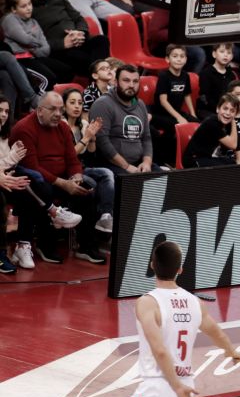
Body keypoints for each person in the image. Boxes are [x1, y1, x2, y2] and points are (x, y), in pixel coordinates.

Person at [123, 241, 240, 397]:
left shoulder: (148, 302)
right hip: (187, 386)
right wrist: (231, 350)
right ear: (180, 269)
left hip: (160, 388)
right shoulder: (196, 303)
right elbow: (217, 334)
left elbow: (160, 351)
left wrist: (177, 387)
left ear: (152, 266)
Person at [10, 91, 104, 266]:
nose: (58, 114)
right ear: (39, 110)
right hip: (36, 181)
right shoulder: (24, 129)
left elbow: (72, 160)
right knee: (42, 188)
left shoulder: (63, 127)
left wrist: (76, 177)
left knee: (88, 189)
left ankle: (86, 246)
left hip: (63, 178)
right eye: (53, 109)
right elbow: (32, 167)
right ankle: (45, 246)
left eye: (61, 110)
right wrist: (64, 184)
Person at [29, 0, 110, 78]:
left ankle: (98, 78)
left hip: (78, 39)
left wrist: (80, 32)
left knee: (102, 40)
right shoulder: (27, 7)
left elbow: (78, 18)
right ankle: (100, 79)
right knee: (81, 58)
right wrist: (62, 43)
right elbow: (34, 42)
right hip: (59, 48)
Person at [90, 64, 160, 175]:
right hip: (112, 164)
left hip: (138, 163)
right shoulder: (103, 104)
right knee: (134, 183)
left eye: (135, 81)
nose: (131, 85)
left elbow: (146, 138)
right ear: (115, 82)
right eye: (126, 80)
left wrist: (147, 163)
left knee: (164, 180)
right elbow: (102, 141)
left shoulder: (140, 104)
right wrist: (126, 166)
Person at [63, 88, 114, 233]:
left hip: (82, 166)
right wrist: (86, 138)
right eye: (72, 102)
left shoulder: (83, 124)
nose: (77, 106)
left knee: (107, 173)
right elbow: (69, 156)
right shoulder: (61, 125)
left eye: (80, 103)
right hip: (66, 170)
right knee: (92, 185)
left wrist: (92, 139)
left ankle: (106, 216)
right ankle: (87, 233)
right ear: (64, 106)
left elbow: (91, 153)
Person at [1, 0, 74, 90]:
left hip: (34, 57)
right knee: (49, 79)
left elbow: (46, 48)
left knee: (67, 70)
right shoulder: (9, 19)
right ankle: (40, 99)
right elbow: (25, 39)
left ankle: (56, 95)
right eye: (23, 6)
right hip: (20, 60)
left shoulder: (34, 22)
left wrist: (33, 48)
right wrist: (36, 43)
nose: (29, 8)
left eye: (29, 4)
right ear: (14, 9)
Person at [152, 44, 199, 166]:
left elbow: (187, 95)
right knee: (176, 126)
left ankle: (190, 156)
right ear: (167, 59)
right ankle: (165, 159)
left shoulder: (185, 75)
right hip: (161, 114)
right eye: (175, 56)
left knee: (197, 124)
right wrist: (179, 117)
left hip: (176, 112)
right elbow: (163, 101)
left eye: (182, 56)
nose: (179, 59)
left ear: (186, 59)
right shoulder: (163, 76)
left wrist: (192, 114)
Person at [182, 94, 240, 168]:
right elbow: (233, 145)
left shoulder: (228, 124)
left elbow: (239, 154)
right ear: (218, 109)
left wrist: (239, 166)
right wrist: (233, 121)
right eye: (225, 108)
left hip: (206, 158)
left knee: (231, 163)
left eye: (232, 111)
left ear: (236, 113)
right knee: (226, 168)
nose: (228, 113)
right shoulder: (212, 123)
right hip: (193, 159)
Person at [197, 43, 238, 119]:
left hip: (226, 110)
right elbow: (204, 98)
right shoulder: (206, 73)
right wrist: (220, 110)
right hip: (207, 110)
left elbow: (232, 95)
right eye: (222, 52)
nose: (225, 55)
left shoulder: (231, 74)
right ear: (214, 54)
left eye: (229, 53)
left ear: (232, 56)